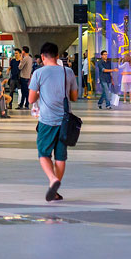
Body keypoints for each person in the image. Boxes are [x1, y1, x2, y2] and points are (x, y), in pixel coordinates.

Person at [29, 41, 79, 201]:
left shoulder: (39, 73)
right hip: (64, 121)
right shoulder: (68, 72)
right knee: (60, 157)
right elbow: (74, 97)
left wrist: (39, 93)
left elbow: (31, 99)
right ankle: (55, 191)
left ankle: (52, 179)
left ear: (42, 57)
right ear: (58, 56)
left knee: (43, 153)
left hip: (47, 120)